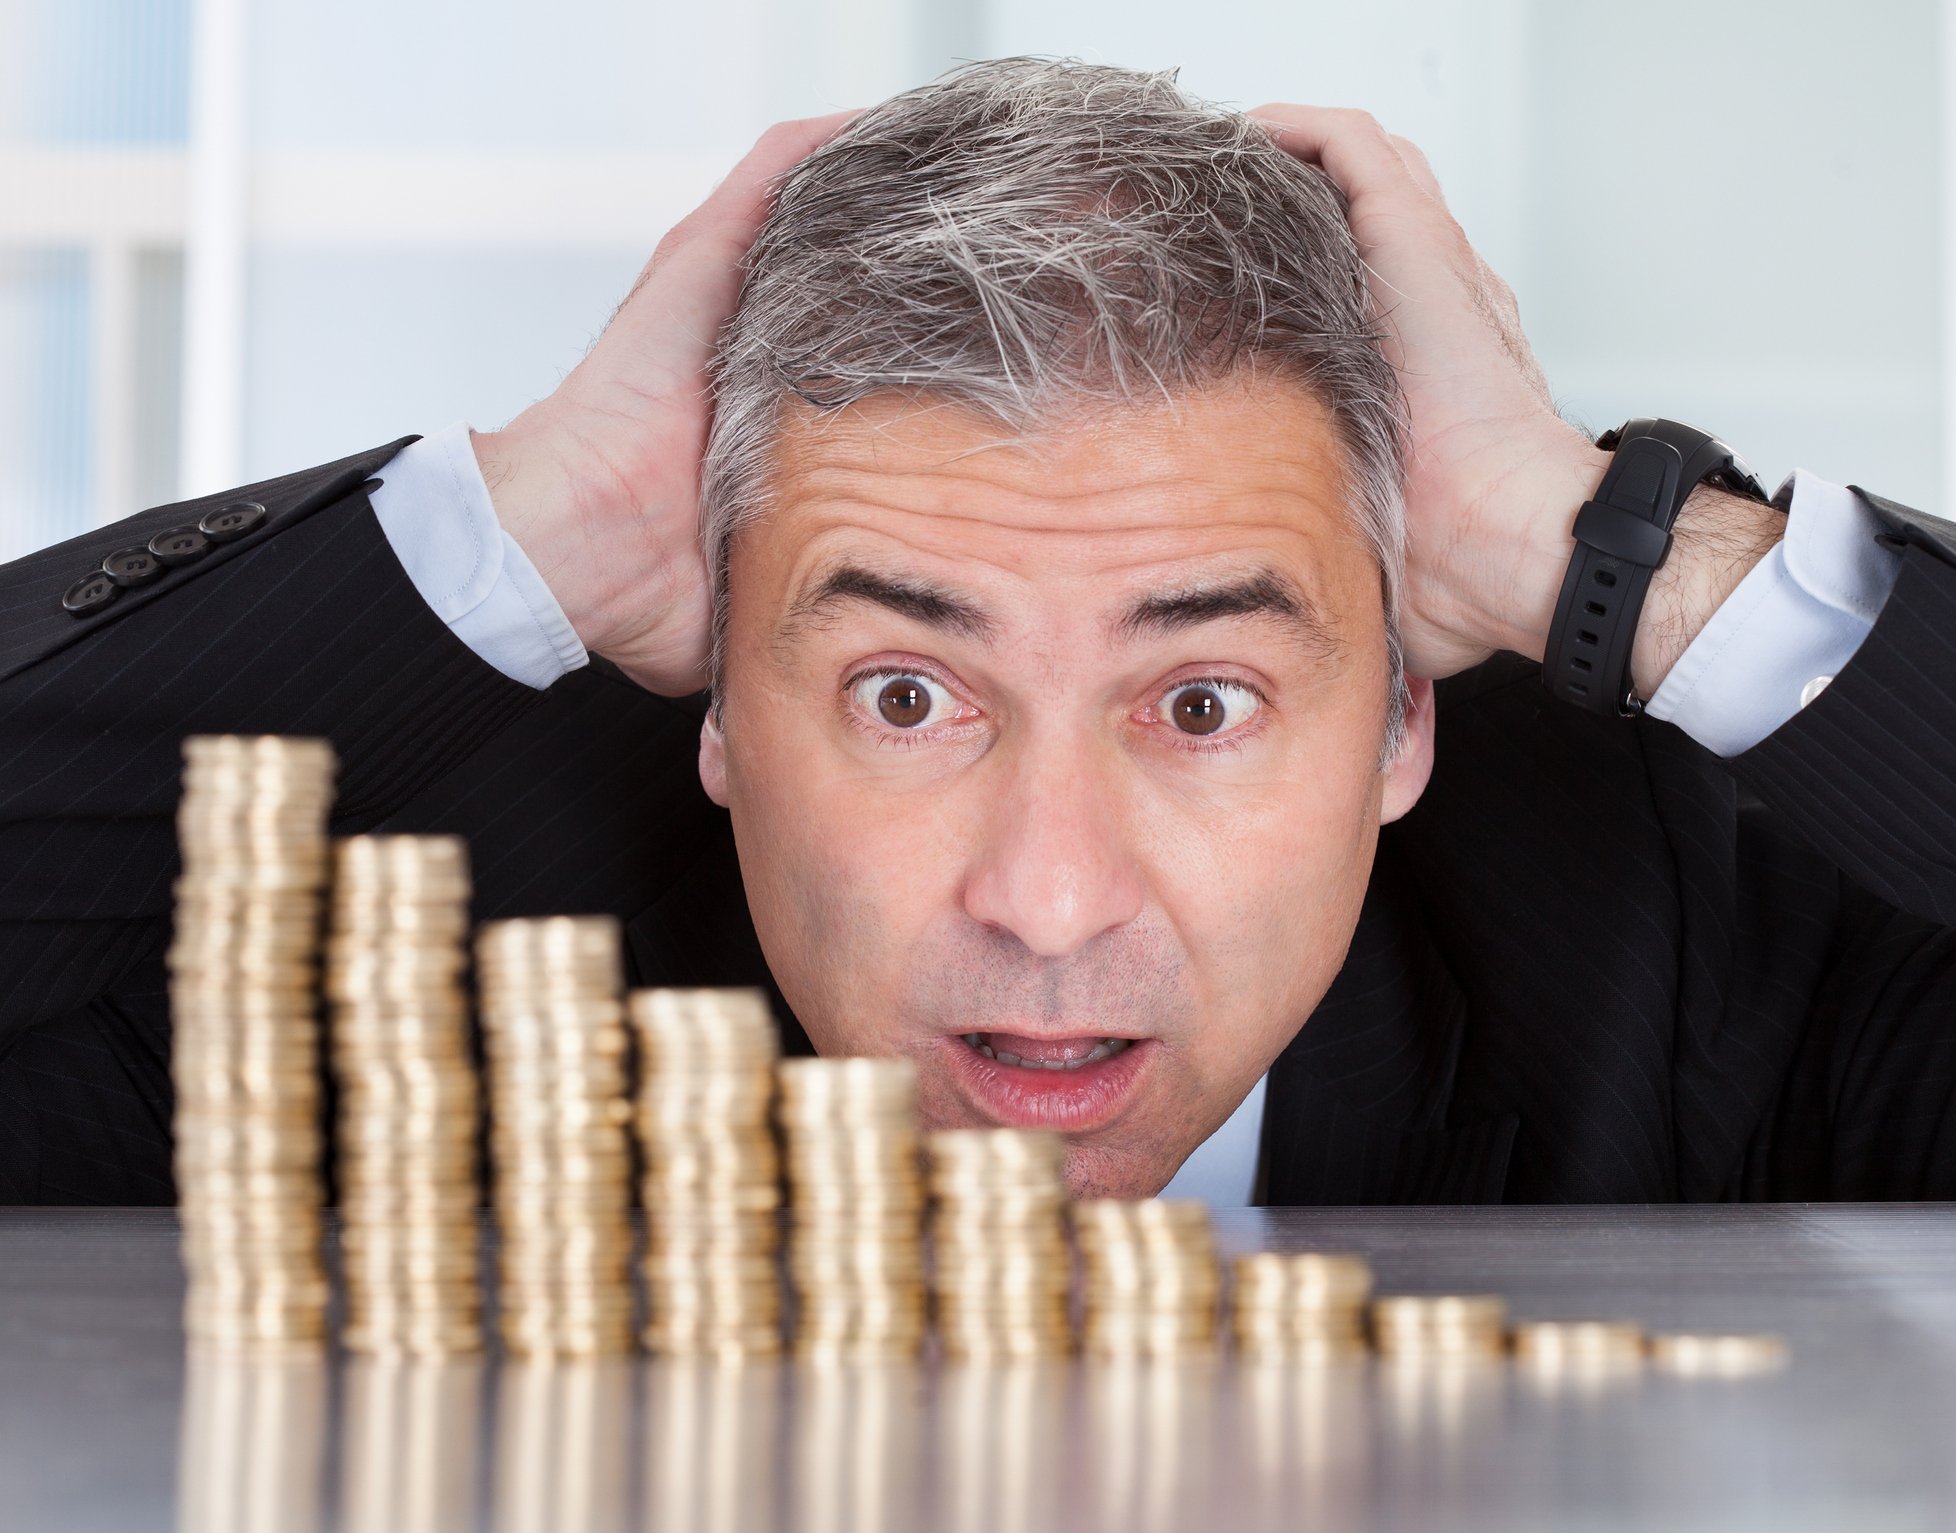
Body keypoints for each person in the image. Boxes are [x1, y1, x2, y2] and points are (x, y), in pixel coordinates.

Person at [3, 59, 1953, 1206]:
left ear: (1400, 723)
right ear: (717, 715)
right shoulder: (408, 931)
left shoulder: (1678, 937)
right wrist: (529, 528)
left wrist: (1615, 548)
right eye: (909, 690)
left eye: (1201, 697)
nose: (1044, 896)